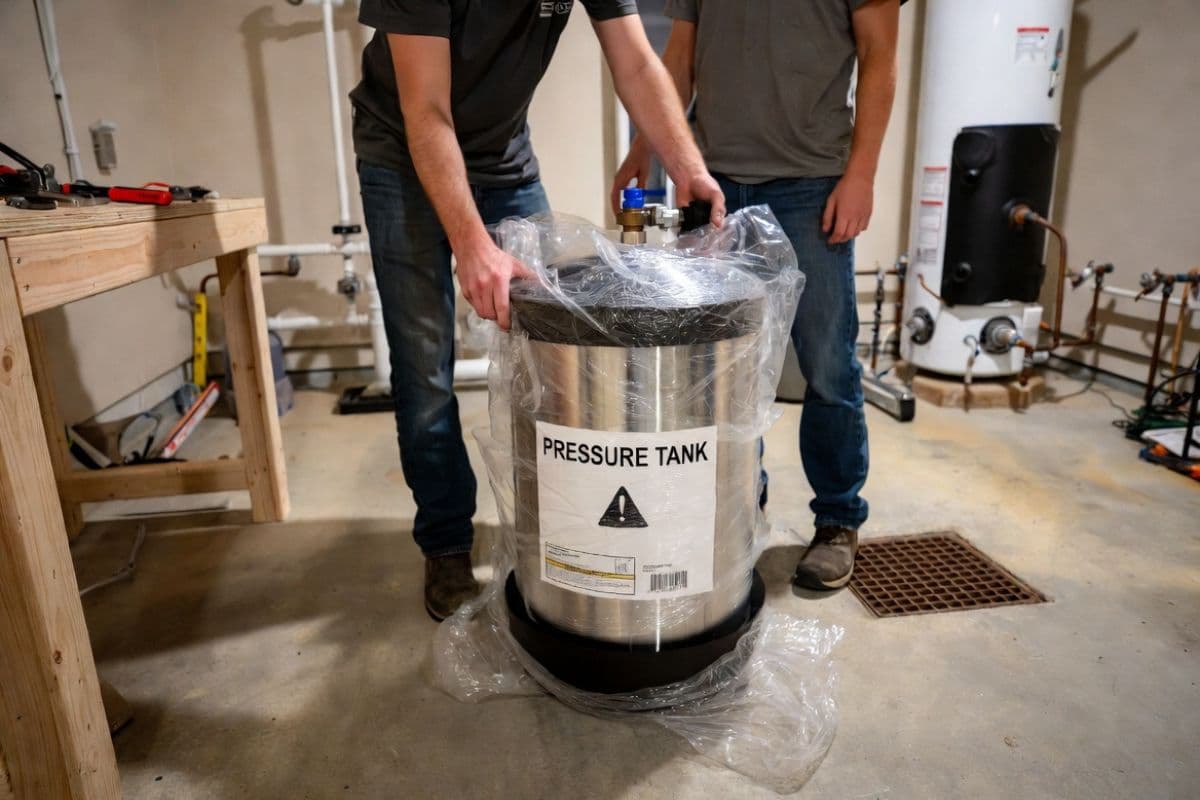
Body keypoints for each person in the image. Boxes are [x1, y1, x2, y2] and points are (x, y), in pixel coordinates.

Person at [350, 0, 726, 620]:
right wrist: (472, 246)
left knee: (555, 348)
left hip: (503, 158)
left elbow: (634, 61)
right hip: (401, 155)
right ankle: (445, 543)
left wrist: (687, 167)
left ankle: (559, 533)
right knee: (424, 367)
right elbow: (426, 111)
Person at [615, 0, 901, 591]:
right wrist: (645, 148)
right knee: (720, 370)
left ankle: (838, 519)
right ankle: (739, 510)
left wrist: (863, 175)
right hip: (713, 181)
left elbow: (880, 58)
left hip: (811, 183)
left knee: (826, 364)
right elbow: (679, 59)